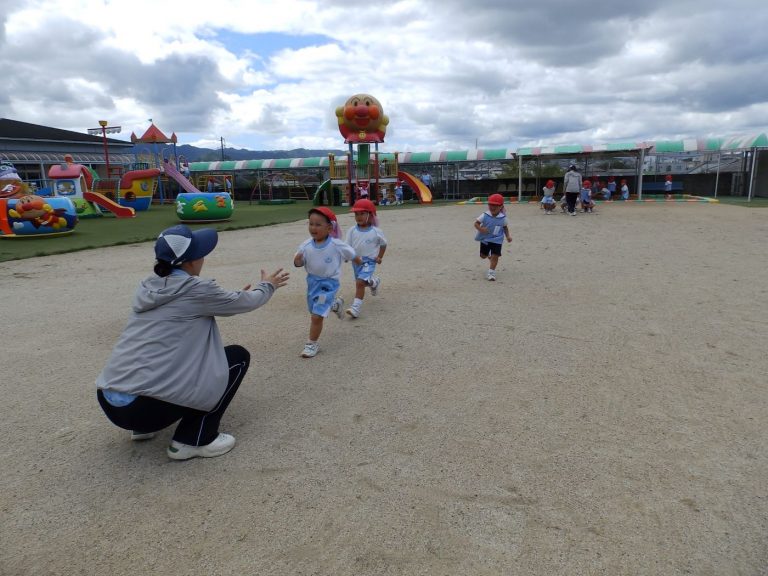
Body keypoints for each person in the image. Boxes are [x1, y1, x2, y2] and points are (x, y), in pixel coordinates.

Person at [96, 224, 290, 461]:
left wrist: (224, 300)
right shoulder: (196, 289)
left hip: (111, 402)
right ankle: (194, 439)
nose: (203, 257)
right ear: (189, 262)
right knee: (237, 358)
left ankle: (143, 430)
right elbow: (248, 301)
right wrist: (267, 284)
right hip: (145, 409)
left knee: (158, 358)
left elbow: (194, 307)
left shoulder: (149, 287)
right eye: (200, 253)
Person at [294, 207, 362, 358]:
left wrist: (359, 262)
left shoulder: (336, 244)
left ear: (330, 227)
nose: (313, 228)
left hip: (329, 283)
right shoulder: (305, 245)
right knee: (314, 310)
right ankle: (335, 305)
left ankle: (312, 344)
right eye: (311, 224)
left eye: (318, 224)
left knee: (316, 316)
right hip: (312, 283)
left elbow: (352, 254)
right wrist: (298, 260)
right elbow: (298, 262)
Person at [344, 199, 387, 319]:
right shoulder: (352, 231)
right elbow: (347, 246)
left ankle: (355, 308)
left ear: (370, 215)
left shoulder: (376, 232)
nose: (358, 217)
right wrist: (347, 256)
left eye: (362, 213)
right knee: (362, 283)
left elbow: (383, 244)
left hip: (369, 261)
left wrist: (379, 257)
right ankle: (374, 282)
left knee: (359, 283)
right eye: (356, 214)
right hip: (356, 261)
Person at [474, 193, 513, 281]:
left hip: (497, 240)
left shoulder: (503, 218)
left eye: (495, 205)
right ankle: (488, 255)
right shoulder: (485, 215)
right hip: (485, 239)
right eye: (490, 205)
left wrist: (508, 236)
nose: (492, 207)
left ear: (501, 206)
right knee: (483, 256)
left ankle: (491, 272)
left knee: (495, 256)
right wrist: (481, 229)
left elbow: (505, 227)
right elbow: (476, 223)